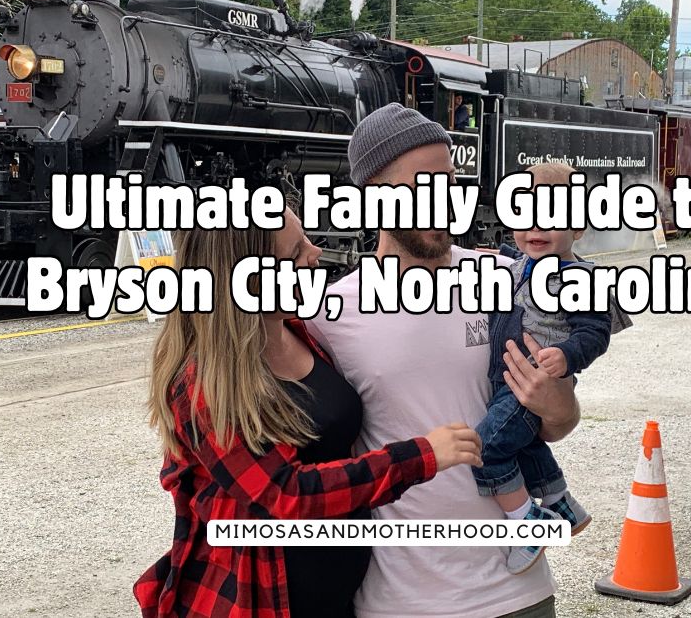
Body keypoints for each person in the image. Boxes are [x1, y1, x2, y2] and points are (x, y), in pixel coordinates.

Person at [133, 212, 484, 618]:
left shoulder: (297, 330)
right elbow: (285, 495)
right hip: (258, 602)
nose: (316, 254)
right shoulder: (201, 385)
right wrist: (418, 457)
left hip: (338, 601)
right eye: (296, 252)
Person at [309, 103, 580, 618]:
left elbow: (558, 422)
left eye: (451, 182)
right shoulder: (332, 316)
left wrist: (557, 404)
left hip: (517, 591)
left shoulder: (505, 279)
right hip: (400, 601)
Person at [472, 162, 633, 575]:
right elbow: (514, 263)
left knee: (485, 450)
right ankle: (562, 503)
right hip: (511, 381)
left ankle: (528, 521)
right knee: (523, 445)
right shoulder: (523, 262)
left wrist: (566, 356)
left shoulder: (580, 278)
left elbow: (595, 331)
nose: (534, 229)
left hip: (533, 382)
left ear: (578, 228)